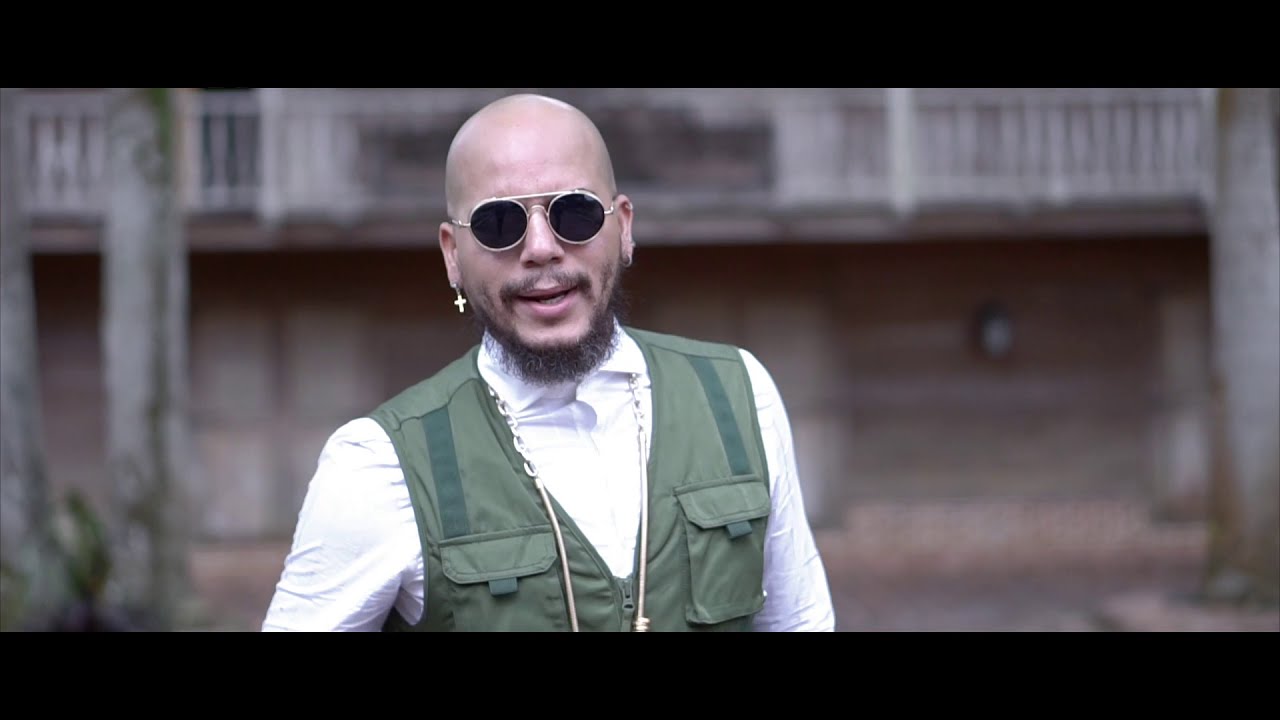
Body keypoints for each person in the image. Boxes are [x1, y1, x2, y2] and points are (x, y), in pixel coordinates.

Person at [262, 92, 835, 632]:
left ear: (624, 226)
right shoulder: (376, 465)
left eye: (575, 213)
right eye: (499, 223)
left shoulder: (738, 394)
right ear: (452, 255)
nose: (540, 247)